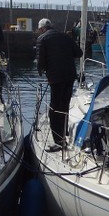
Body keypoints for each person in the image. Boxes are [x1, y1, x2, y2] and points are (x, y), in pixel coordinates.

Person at [36, 18, 83, 149]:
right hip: (70, 76)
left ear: (42, 29)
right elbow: (79, 53)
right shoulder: (65, 36)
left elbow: (40, 60)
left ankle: (58, 141)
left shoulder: (42, 39)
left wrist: (41, 71)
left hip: (55, 77)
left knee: (54, 108)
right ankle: (65, 134)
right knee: (64, 105)